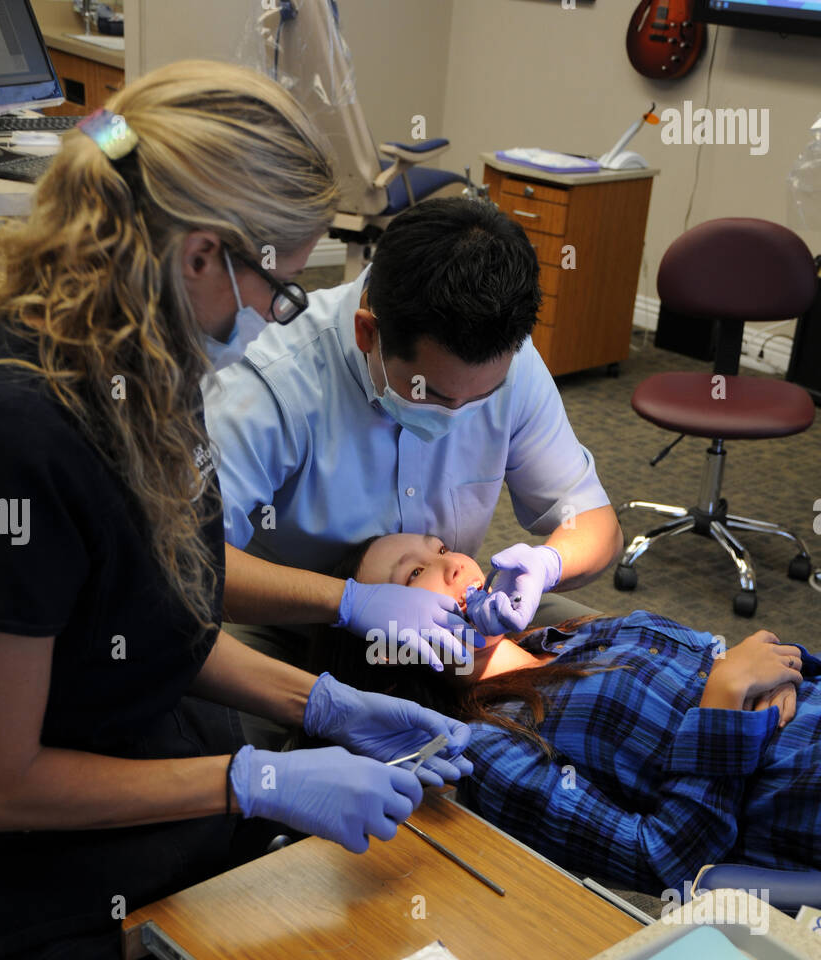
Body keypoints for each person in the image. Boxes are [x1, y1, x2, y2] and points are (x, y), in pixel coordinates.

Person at [0, 62, 472, 960]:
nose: (283, 309)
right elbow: (7, 781)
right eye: (282, 278)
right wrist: (252, 772)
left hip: (132, 747)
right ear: (204, 253)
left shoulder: (141, 363)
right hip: (26, 876)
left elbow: (158, 613)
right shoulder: (22, 432)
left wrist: (319, 699)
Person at [203, 196, 623, 700]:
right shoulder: (269, 387)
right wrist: (348, 603)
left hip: (461, 620)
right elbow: (190, 565)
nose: (458, 415)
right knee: (259, 749)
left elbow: (595, 523)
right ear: (367, 333)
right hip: (290, 623)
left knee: (617, 663)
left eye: (481, 397)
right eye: (437, 396)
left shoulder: (508, 358)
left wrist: (548, 565)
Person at [305, 532, 821, 901]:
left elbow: (738, 656)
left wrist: (778, 670)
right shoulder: (489, 745)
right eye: (417, 572)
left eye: (443, 547)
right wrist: (724, 704)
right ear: (384, 647)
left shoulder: (573, 631)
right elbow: (661, 863)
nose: (455, 563)